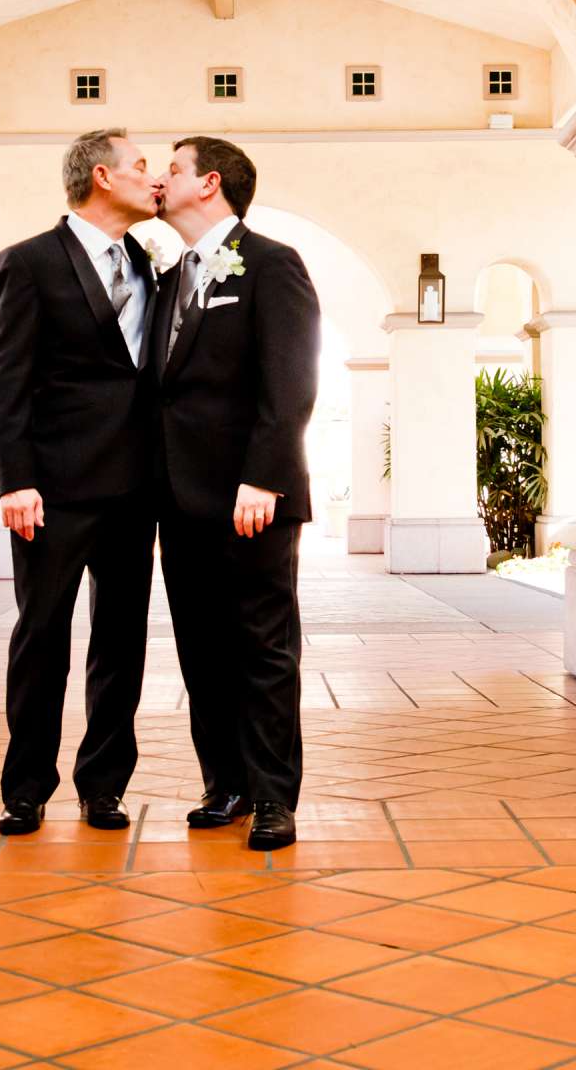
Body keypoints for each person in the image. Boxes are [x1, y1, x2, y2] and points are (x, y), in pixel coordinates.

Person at [0, 128, 163, 836]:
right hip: (51, 491)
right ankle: (25, 787)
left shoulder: (147, 265)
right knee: (42, 636)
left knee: (121, 643)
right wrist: (16, 479)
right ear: (101, 176)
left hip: (134, 489)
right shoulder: (27, 263)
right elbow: (5, 380)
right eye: (141, 166)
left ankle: (104, 785)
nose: (153, 180)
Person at [151, 136, 320, 851]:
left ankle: (275, 797)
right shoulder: (166, 279)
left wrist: (265, 477)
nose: (159, 179)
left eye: (172, 168)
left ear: (208, 183)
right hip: (178, 500)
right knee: (201, 650)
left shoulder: (272, 263)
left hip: (253, 498)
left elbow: (291, 382)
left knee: (264, 648)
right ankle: (225, 785)